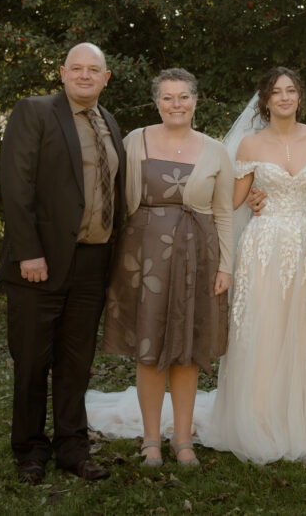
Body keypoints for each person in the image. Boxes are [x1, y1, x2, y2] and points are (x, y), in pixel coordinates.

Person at [197, 67, 306, 466]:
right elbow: (231, 201)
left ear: (300, 97)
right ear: (265, 100)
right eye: (276, 92)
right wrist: (242, 199)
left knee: (305, 332)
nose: (284, 97)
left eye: (291, 91)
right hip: (262, 248)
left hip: (304, 245)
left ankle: (305, 426)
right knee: (262, 331)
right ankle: (259, 422)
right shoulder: (249, 144)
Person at [0, 42, 123, 484]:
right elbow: (16, 186)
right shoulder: (35, 112)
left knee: (76, 361)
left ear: (106, 78)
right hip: (40, 262)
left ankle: (73, 447)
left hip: (92, 261)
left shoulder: (109, 122)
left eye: (94, 69)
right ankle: (30, 449)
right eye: (77, 68)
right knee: (32, 359)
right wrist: (28, 251)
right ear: (63, 73)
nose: (85, 75)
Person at [98, 68, 234, 468]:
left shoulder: (215, 150)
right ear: (156, 102)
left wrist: (226, 264)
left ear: (196, 100)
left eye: (183, 97)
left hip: (199, 257)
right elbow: (112, 200)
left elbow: (224, 213)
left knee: (187, 352)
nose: (176, 104)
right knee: (149, 349)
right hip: (143, 258)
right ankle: (152, 441)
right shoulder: (133, 141)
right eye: (168, 97)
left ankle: (184, 441)